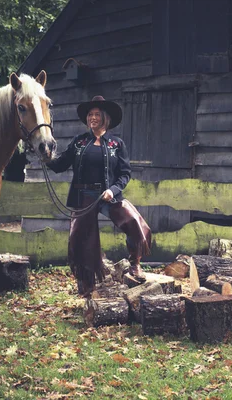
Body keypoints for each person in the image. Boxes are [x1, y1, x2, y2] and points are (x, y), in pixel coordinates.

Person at [46, 95, 152, 296]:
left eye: (96, 114)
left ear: (105, 118)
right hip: (83, 195)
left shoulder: (116, 144)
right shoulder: (79, 141)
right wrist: (47, 157)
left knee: (134, 221)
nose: (92, 118)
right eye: (90, 114)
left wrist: (112, 190)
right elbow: (60, 165)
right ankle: (86, 283)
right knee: (80, 238)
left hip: (107, 196)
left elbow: (125, 173)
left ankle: (135, 264)